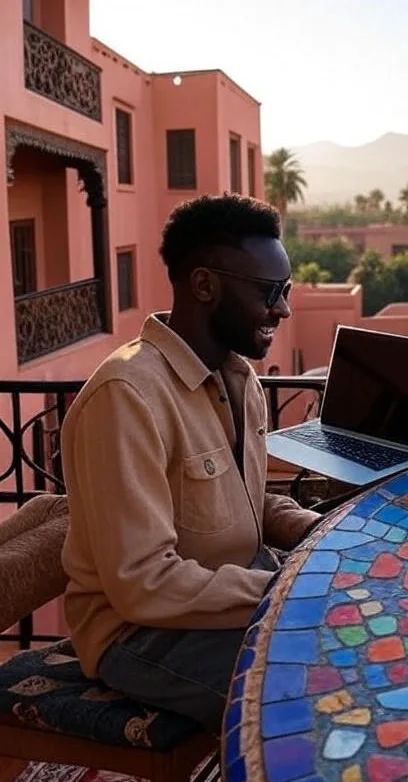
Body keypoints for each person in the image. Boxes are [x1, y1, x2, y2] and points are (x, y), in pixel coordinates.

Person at [60, 194, 321, 735]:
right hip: (138, 634)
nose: (284, 310)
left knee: (360, 637)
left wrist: (324, 536)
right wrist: (289, 589)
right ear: (204, 286)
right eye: (270, 292)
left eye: (287, 291)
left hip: (235, 594)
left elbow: (246, 498)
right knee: (317, 696)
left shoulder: (239, 377)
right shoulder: (127, 396)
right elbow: (145, 584)